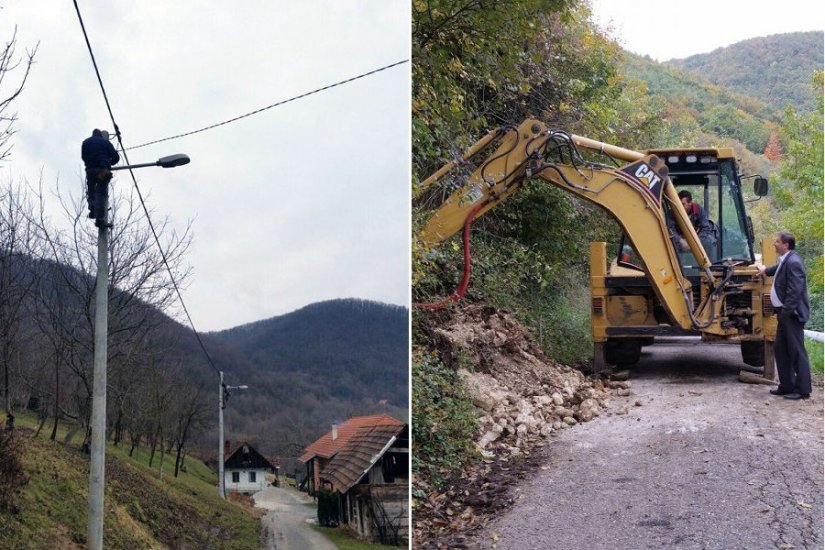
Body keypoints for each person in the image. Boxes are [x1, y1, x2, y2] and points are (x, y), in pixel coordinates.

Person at [757, 232, 811, 400]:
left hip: (791, 314)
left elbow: (795, 291)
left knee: (796, 351)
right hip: (784, 314)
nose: (774, 244)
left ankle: (803, 390)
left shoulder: (794, 262)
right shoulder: (786, 259)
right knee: (780, 348)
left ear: (786, 245)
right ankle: (787, 385)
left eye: (777, 242)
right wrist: (764, 270)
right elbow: (777, 269)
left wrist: (786, 313)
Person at [81, 128, 119, 228]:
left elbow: (83, 157)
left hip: (90, 170)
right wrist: (109, 163)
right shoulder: (105, 142)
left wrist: (90, 162)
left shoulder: (85, 142)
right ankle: (100, 220)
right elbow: (116, 157)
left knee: (91, 191)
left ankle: (92, 207)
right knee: (101, 194)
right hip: (103, 170)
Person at [677, 190, 717, 258]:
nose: (680, 207)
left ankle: (710, 266)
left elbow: (705, 229)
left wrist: (694, 242)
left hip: (697, 239)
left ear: (690, 203)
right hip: (681, 240)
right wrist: (680, 240)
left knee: (709, 240)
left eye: (683, 204)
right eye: (679, 204)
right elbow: (670, 228)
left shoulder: (699, 210)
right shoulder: (674, 211)